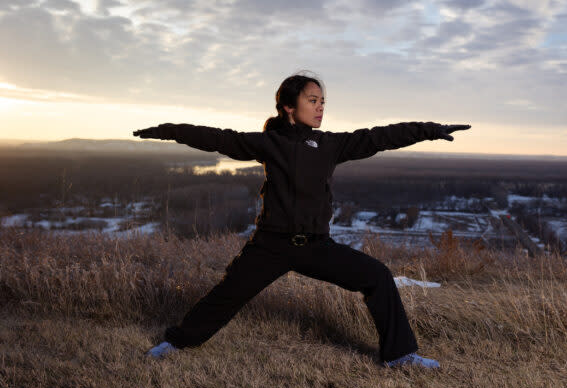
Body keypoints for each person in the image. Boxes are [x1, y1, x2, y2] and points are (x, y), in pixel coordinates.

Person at [134, 72, 470, 369]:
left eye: (323, 101)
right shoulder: (269, 143)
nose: (321, 106)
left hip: (316, 246)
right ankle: (177, 342)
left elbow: (380, 136)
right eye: (313, 100)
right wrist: (167, 130)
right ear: (288, 107)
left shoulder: (330, 145)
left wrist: (430, 130)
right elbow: (218, 138)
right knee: (227, 294)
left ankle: (400, 356)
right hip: (270, 246)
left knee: (378, 277)